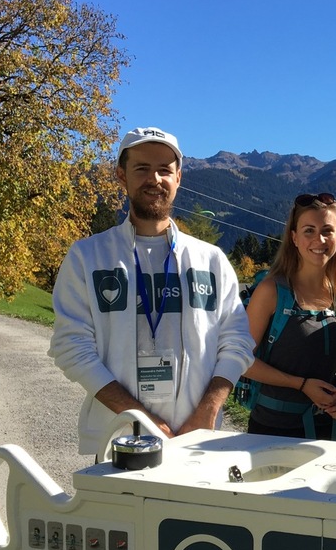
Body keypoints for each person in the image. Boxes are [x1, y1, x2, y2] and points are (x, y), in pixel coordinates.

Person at [49, 127, 254, 455]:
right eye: (141, 168)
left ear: (178, 178)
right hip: (116, 440)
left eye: (164, 170)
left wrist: (208, 410)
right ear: (121, 175)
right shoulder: (88, 257)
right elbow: (70, 346)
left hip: (195, 440)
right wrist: (140, 418)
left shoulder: (210, 261)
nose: (154, 178)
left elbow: (237, 342)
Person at [241, 193, 336, 439]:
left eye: (327, 230)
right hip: (271, 430)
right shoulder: (271, 291)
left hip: (327, 430)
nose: (319, 239)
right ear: (294, 237)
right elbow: (242, 361)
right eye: (309, 230)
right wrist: (301, 385)